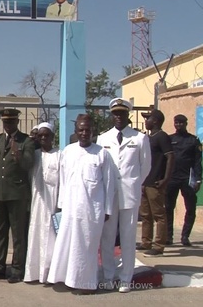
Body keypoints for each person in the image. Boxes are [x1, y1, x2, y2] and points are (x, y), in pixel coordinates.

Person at [46, 114, 115, 294]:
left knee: (86, 247)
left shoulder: (102, 154)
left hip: (91, 210)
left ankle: (85, 283)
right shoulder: (68, 151)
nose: (84, 133)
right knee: (67, 244)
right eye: (81, 130)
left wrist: (107, 210)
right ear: (76, 131)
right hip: (69, 208)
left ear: (93, 131)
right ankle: (64, 278)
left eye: (88, 130)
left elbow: (109, 184)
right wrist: (61, 204)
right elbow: (63, 180)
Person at [97, 98, 151, 293]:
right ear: (112, 115)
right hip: (109, 195)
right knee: (107, 238)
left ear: (128, 114)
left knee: (128, 238)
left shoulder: (139, 138)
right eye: (115, 113)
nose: (118, 117)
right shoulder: (103, 139)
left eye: (122, 113)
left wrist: (134, 183)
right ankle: (109, 276)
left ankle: (126, 279)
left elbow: (145, 167)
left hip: (130, 194)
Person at [0, 108, 35, 283]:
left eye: (11, 122)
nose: (8, 125)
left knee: (18, 235)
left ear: (17, 122)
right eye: (5, 122)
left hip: (17, 195)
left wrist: (18, 154)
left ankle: (18, 269)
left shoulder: (26, 141)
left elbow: (28, 165)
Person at [24, 122, 61, 283]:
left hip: (53, 203)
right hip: (36, 203)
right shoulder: (34, 154)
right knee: (35, 236)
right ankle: (33, 274)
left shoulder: (60, 155)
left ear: (53, 137)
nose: (44, 138)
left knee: (51, 239)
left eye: (47, 135)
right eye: (41, 136)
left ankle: (49, 275)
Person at [138, 110, 174, 257]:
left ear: (156, 121)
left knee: (159, 215)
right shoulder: (147, 137)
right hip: (145, 181)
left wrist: (165, 179)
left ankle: (159, 245)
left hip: (156, 182)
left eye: (148, 118)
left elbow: (170, 157)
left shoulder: (162, 137)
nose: (146, 121)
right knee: (145, 214)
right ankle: (146, 241)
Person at [166, 114, 202, 247]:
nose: (179, 125)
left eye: (181, 122)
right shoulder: (170, 139)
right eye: (177, 122)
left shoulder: (193, 140)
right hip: (172, 178)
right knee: (168, 207)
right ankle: (168, 236)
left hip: (188, 179)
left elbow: (198, 162)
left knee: (190, 208)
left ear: (186, 124)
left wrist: (198, 180)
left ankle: (185, 236)